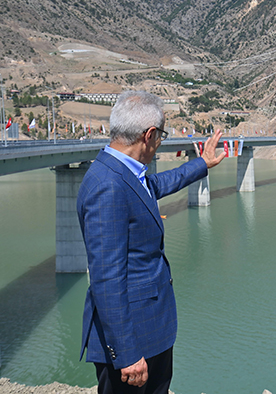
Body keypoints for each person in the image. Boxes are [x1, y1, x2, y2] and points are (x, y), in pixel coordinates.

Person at [77, 91, 226, 394]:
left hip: (149, 331)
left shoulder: (125, 173)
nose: (159, 144)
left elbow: (156, 185)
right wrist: (128, 354)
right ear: (150, 135)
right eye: (161, 137)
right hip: (132, 343)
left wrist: (202, 164)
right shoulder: (107, 185)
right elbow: (106, 278)